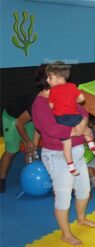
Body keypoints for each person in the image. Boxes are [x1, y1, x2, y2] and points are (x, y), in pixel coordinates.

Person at [31, 66, 95, 246]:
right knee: (64, 195)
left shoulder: (62, 94)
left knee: (84, 189)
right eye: (54, 77)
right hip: (57, 155)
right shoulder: (40, 104)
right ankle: (65, 233)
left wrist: (83, 123)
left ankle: (81, 218)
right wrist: (79, 130)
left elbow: (82, 111)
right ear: (47, 80)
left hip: (76, 152)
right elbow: (52, 129)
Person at [0, 64, 48, 193]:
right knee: (11, 151)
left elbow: (38, 124)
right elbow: (19, 123)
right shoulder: (36, 101)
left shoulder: (49, 97)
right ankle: (1, 179)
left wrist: (33, 144)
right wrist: (27, 140)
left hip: (29, 119)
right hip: (13, 118)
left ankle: (29, 176)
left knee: (32, 149)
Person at [46, 61, 95, 176]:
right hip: (74, 117)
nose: (47, 81)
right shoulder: (72, 86)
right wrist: (70, 101)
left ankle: (71, 167)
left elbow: (51, 106)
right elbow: (82, 99)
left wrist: (58, 103)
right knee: (86, 129)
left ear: (59, 77)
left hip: (60, 119)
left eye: (50, 78)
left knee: (67, 144)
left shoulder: (53, 91)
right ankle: (92, 145)